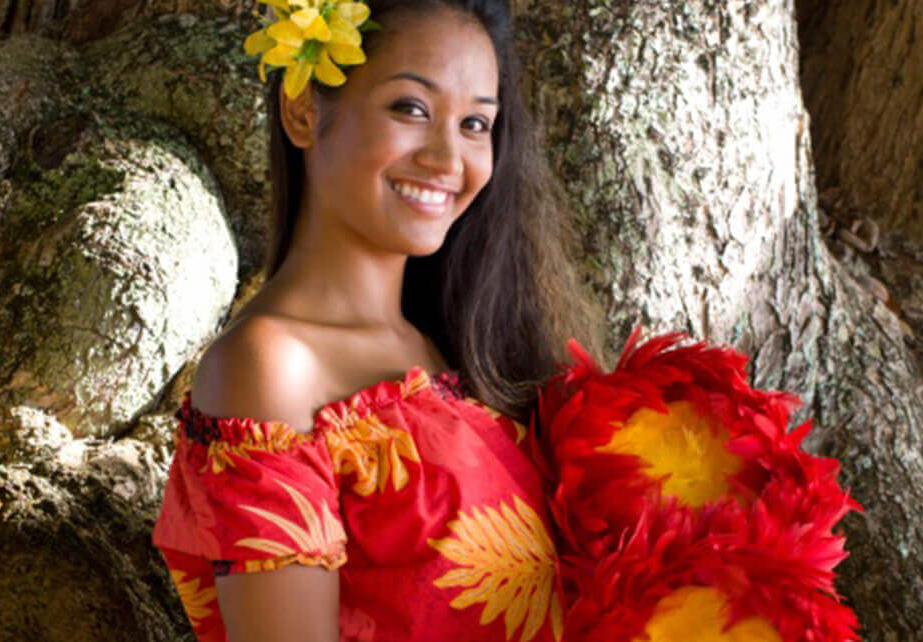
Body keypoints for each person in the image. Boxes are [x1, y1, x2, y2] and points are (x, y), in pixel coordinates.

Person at [152, 1, 609, 640]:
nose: (449, 157)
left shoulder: (465, 350)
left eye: (476, 122)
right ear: (303, 109)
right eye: (411, 109)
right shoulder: (271, 368)